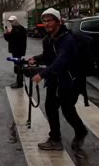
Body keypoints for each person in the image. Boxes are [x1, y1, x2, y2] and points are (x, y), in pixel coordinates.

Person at [29, 8, 88, 151]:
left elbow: (61, 60)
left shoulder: (67, 39)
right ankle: (55, 139)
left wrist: (42, 74)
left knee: (68, 110)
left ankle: (80, 131)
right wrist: (36, 58)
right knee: (50, 108)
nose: (47, 23)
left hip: (69, 81)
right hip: (55, 80)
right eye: (44, 21)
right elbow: (49, 56)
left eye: (50, 20)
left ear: (58, 21)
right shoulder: (48, 38)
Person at [4, 15, 27, 88]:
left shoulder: (18, 28)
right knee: (17, 66)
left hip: (18, 50)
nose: (11, 23)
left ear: (16, 21)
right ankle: (19, 81)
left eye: (12, 21)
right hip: (16, 50)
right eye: (10, 21)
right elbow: (9, 39)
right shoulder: (15, 28)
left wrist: (7, 34)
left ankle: (19, 83)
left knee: (18, 66)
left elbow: (13, 39)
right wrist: (7, 34)